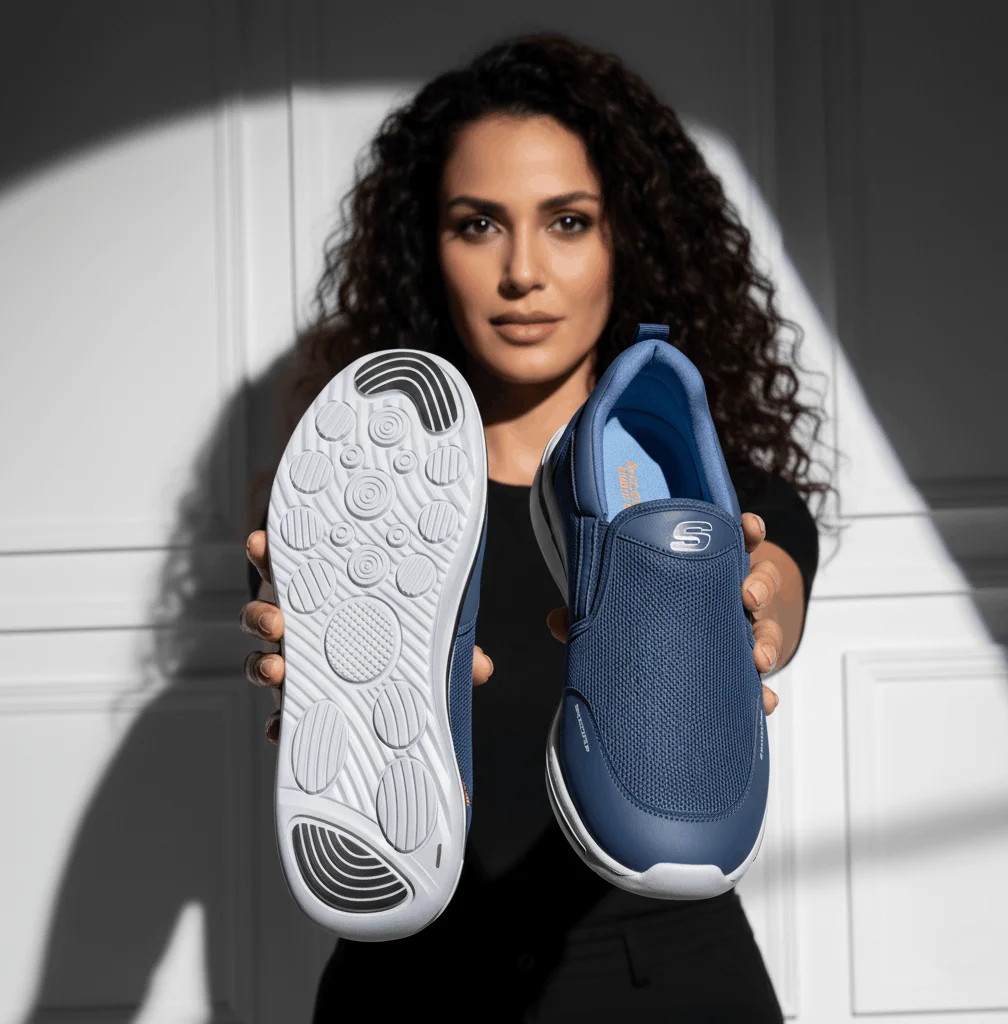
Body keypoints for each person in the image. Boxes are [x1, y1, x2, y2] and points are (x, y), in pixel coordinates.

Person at [239, 32, 826, 1022]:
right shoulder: (347, 504)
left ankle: (667, 583)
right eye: (478, 224)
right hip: (410, 985)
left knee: (694, 555)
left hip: (671, 986)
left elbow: (775, 587)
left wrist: (751, 616)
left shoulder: (738, 498)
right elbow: (289, 608)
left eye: (567, 221)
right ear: (426, 249)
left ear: (626, 240)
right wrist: (304, 633)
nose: (522, 271)